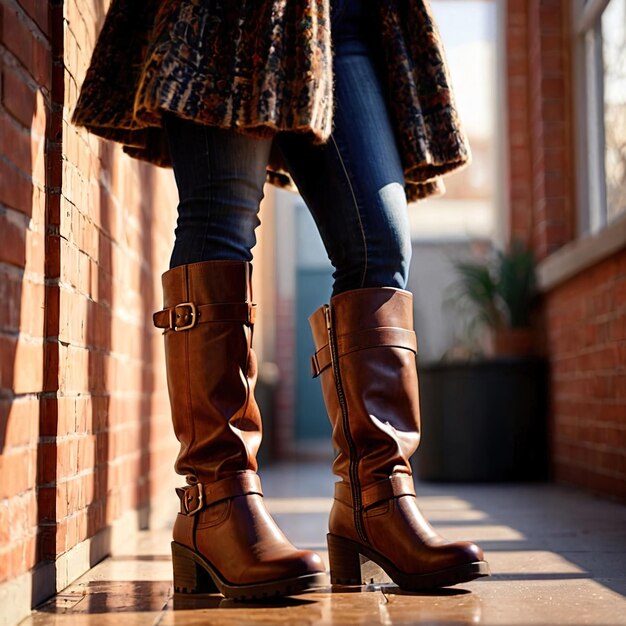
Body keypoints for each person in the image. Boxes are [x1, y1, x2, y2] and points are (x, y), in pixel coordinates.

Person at [73, 0, 490, 601]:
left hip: (342, 19)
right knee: (221, 222)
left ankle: (377, 499)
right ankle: (216, 502)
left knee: (380, 246)